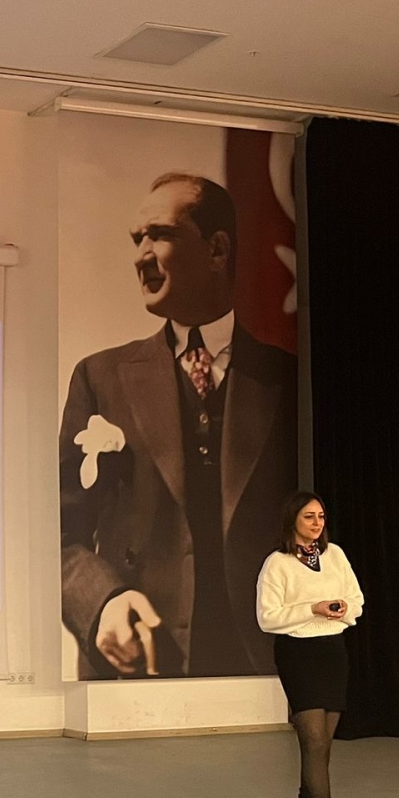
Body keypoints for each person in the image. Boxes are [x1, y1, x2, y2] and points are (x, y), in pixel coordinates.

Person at [59, 172, 297, 679]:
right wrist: (102, 602)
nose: (141, 255)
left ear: (217, 249)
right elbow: (58, 532)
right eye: (136, 239)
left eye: (160, 235)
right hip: (139, 661)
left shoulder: (290, 380)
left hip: (263, 660)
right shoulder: (99, 377)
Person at [255, 491, 364, 798]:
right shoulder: (277, 563)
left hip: (332, 651)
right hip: (298, 653)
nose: (317, 523)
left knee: (324, 743)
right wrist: (312, 608)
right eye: (309, 517)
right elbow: (268, 617)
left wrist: (342, 608)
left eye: (321, 516)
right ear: (293, 521)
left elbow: (357, 600)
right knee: (314, 741)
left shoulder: (336, 556)